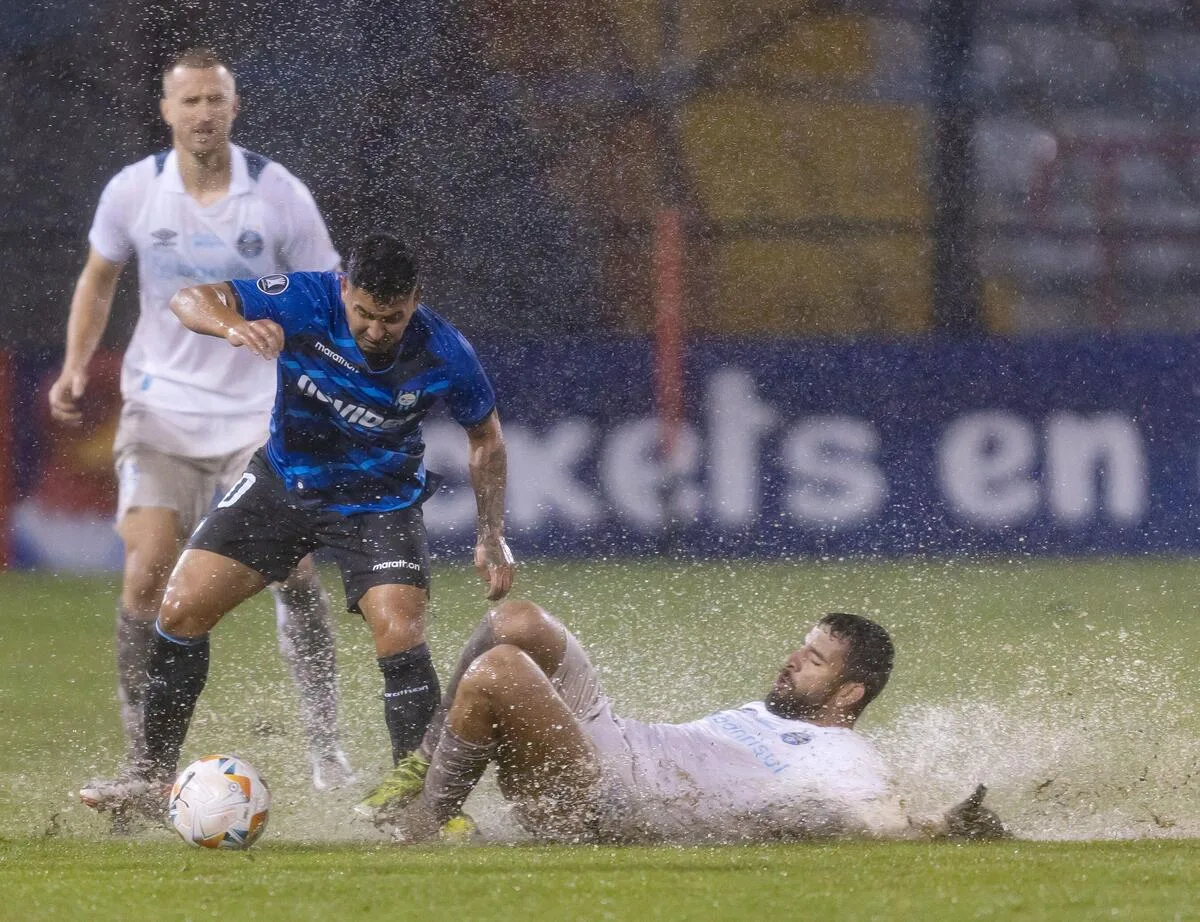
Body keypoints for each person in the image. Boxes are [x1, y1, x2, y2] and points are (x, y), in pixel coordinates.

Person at [78, 231, 516, 822]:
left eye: (392, 317)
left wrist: (491, 534)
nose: (376, 330)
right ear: (344, 290)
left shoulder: (445, 352)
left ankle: (422, 803)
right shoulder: (306, 299)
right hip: (285, 483)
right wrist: (232, 326)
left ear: (414, 300)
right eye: (364, 313)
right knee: (180, 608)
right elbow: (190, 298)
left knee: (399, 629)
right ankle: (150, 780)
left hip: (378, 503)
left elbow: (486, 439)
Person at [48, 49, 354, 792]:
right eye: (190, 101)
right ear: (167, 111)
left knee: (297, 573)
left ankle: (326, 748)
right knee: (147, 569)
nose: (204, 113)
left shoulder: (278, 194)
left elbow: (332, 291)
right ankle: (144, 767)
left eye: (216, 99)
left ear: (235, 107)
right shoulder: (134, 193)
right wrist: (76, 364)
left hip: (259, 415)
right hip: (161, 408)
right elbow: (98, 279)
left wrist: (330, 384)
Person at [382, 600, 1008, 844]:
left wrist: (941, 826)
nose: (792, 660)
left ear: (848, 694)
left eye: (813, 660)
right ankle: (419, 764)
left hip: (614, 802)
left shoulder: (838, 753)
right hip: (613, 741)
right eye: (801, 646)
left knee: (499, 670)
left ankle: (426, 828)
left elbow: (875, 813)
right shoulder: (763, 715)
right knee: (515, 621)